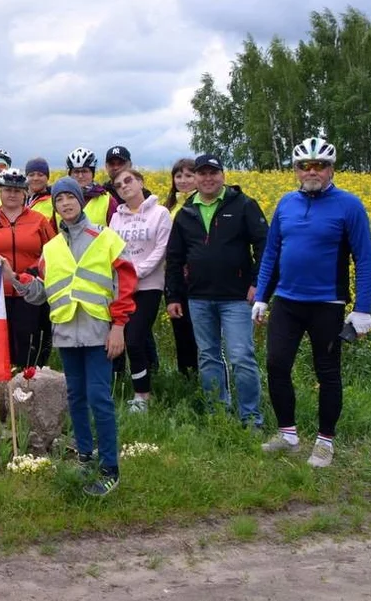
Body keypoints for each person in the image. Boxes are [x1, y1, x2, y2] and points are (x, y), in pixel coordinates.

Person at [5, 177, 136, 496]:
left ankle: (109, 470)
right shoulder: (51, 248)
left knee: (99, 399)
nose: (65, 203)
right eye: (59, 199)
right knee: (76, 398)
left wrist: (119, 326)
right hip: (66, 333)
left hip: (98, 331)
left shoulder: (105, 237)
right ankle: (85, 457)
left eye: (70, 197)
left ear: (80, 200)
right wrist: (13, 278)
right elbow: (40, 293)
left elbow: (126, 284)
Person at [255, 138, 371, 468]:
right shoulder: (286, 203)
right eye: (304, 166)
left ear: (331, 169)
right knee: (277, 365)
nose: (312, 171)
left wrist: (363, 308)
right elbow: (272, 253)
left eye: (319, 165)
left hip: (328, 304)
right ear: (295, 170)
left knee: (327, 373)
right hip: (287, 302)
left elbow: (364, 259)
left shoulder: (349, 205)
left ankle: (325, 441)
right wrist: (262, 297)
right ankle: (288, 435)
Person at [165, 154, 267, 427]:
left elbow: (264, 246)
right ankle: (218, 414)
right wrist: (173, 296)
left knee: (241, 357)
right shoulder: (187, 212)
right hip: (198, 297)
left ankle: (251, 418)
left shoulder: (244, 205)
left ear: (222, 175)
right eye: (202, 173)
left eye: (213, 173)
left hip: (236, 297)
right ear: (195, 178)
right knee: (208, 357)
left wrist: (258, 283)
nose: (208, 178)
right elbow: (175, 258)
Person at [0, 167, 57, 368]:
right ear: (0, 191)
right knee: (1, 343)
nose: (12, 194)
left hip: (30, 292)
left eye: (17, 190)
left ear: (25, 193)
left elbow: (52, 252)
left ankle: (29, 383)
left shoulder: (39, 220)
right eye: (8, 189)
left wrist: (33, 272)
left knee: (30, 342)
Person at [108, 168, 171, 412]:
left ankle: (142, 396)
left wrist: (137, 272)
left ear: (141, 182)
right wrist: (121, 277)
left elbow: (161, 248)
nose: (124, 186)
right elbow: (111, 248)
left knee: (134, 338)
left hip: (148, 286)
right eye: (119, 184)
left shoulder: (160, 213)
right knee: (123, 339)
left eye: (128, 180)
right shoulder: (116, 217)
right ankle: (126, 387)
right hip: (121, 287)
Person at [163, 158, 198, 375]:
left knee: (197, 330)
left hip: (194, 276)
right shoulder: (169, 207)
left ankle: (203, 378)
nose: (183, 181)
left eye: (188, 175)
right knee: (181, 329)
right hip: (175, 275)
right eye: (178, 176)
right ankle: (186, 378)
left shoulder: (198, 204)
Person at [65, 148, 117, 226]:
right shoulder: (60, 199)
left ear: (92, 173)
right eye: (76, 171)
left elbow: (116, 233)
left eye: (84, 171)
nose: (80, 176)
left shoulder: (107, 200)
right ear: (70, 174)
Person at [24, 157, 54, 224]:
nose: (35, 178)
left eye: (40, 175)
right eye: (31, 175)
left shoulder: (55, 201)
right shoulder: (19, 200)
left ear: (47, 177)